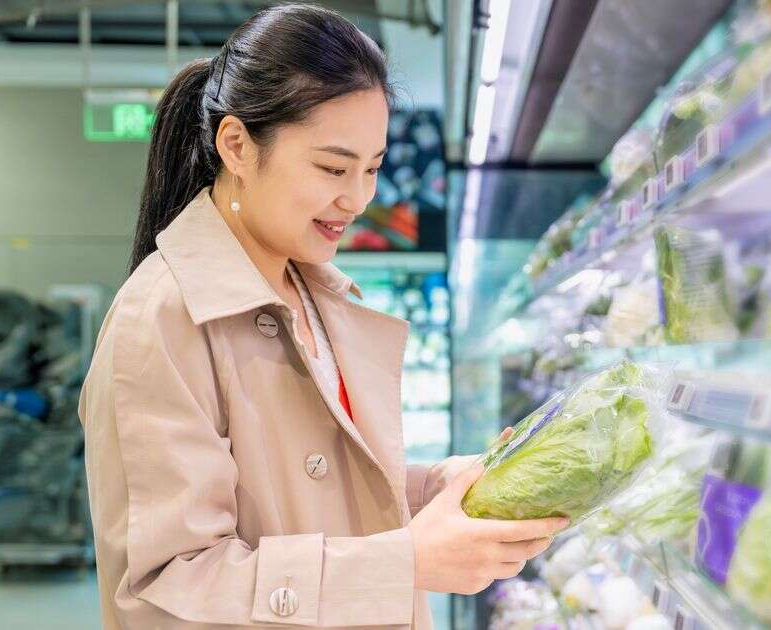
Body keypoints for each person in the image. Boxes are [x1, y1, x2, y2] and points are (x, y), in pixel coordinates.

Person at [78, 5, 566, 628]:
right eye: (333, 168)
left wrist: (444, 486)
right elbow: (169, 579)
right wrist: (406, 563)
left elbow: (311, 498)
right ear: (237, 146)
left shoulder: (304, 287)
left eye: (373, 168)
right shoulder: (162, 319)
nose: (359, 198)